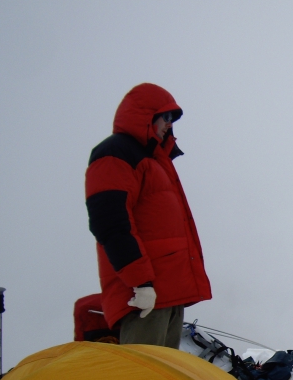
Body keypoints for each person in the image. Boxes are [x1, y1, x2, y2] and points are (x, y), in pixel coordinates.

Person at [85, 83, 211, 348]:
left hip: (167, 292)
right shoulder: (115, 153)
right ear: (146, 116)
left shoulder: (156, 161)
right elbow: (110, 222)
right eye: (165, 117)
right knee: (141, 379)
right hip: (144, 294)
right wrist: (140, 282)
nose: (169, 124)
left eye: (172, 119)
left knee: (164, 379)